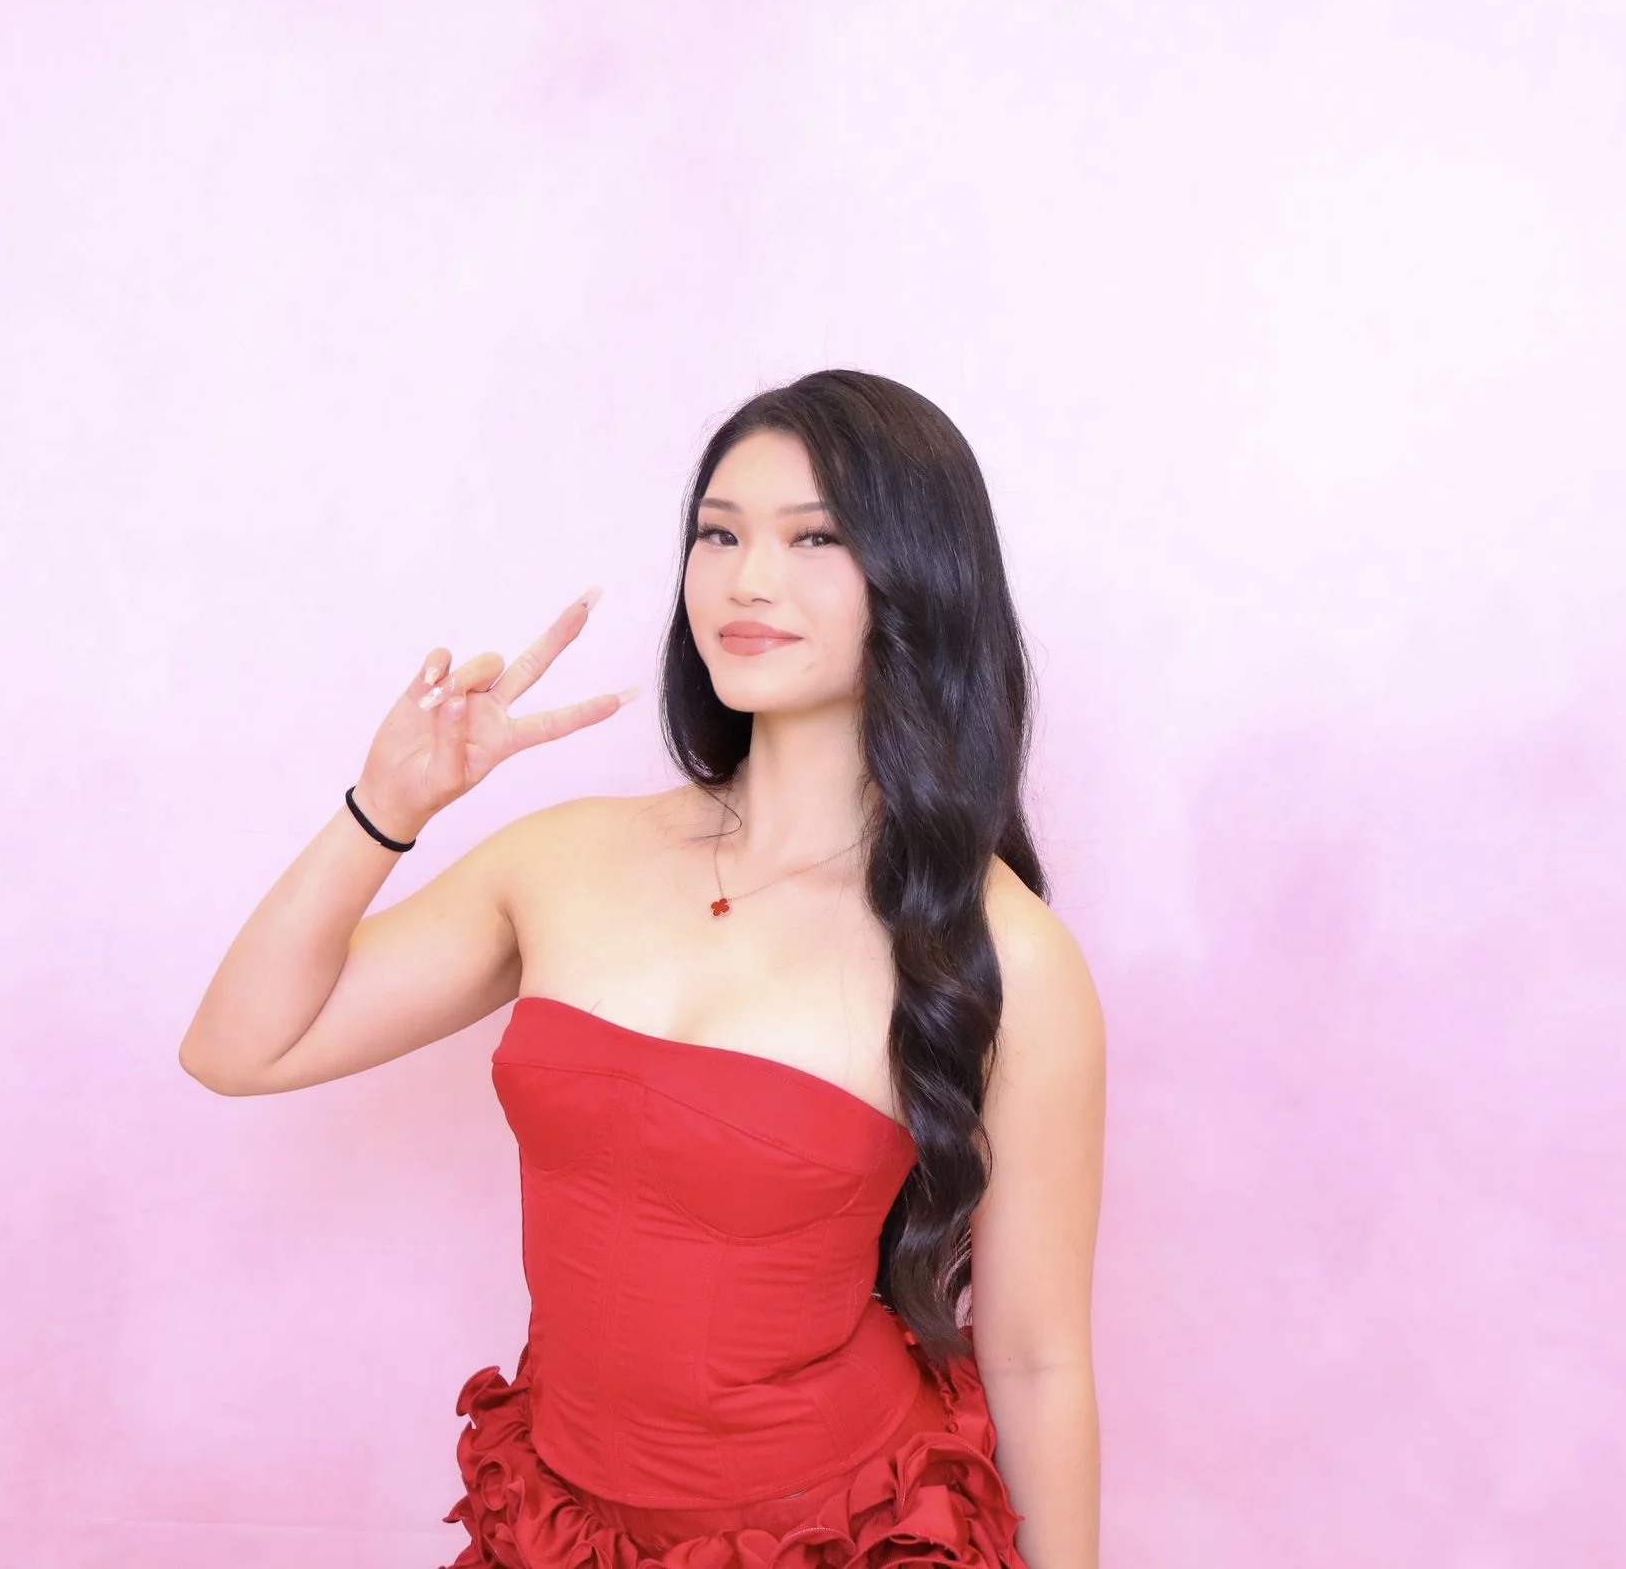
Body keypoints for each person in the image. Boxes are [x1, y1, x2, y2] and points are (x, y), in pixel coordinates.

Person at [180, 370, 1105, 1568]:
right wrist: (385, 806)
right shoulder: (567, 856)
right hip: (562, 1525)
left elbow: (1035, 1356)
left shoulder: (1005, 951)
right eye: (717, 533)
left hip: (832, 1531)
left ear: (918, 576)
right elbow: (237, 1047)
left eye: (812, 536)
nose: (745, 577)